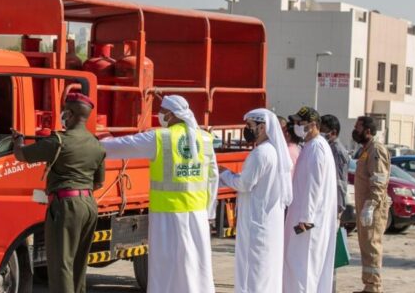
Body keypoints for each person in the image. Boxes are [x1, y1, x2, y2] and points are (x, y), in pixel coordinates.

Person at [100, 95, 218, 293]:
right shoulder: (205, 138)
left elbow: (123, 145)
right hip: (197, 215)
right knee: (195, 266)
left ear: (171, 114)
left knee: (165, 269)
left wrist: (93, 144)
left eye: (162, 112)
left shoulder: (160, 138)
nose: (160, 115)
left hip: (167, 215)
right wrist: (209, 212)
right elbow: (212, 177)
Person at [12, 93, 105, 293]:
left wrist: (17, 140)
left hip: (66, 206)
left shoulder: (59, 141)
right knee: (79, 264)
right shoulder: (96, 143)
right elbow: (99, 182)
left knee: (61, 264)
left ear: (69, 114)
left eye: (64, 111)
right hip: (89, 205)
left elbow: (22, 155)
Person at [218, 109, 293, 293]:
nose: (247, 130)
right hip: (267, 223)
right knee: (265, 273)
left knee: (253, 273)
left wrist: (224, 173)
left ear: (262, 127)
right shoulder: (273, 152)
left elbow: (244, 184)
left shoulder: (261, 153)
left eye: (250, 126)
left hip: (256, 224)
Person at [283, 106, 337, 293]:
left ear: (313, 125)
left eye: (300, 123)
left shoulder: (317, 148)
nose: (296, 126)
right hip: (303, 216)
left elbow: (314, 186)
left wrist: (306, 219)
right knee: (298, 266)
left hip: (307, 223)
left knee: (303, 269)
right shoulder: (310, 146)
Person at [351, 116, 390, 293]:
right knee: (366, 247)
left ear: (367, 130)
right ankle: (369, 285)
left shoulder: (375, 149)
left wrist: (370, 205)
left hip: (372, 208)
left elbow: (379, 179)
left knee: (372, 246)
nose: (354, 131)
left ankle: (374, 287)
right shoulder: (366, 149)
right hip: (366, 207)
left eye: (357, 128)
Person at [320, 114, 350, 218]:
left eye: (322, 131)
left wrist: (338, 207)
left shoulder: (337, 151)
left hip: (333, 204)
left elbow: (340, 181)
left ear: (333, 133)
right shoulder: (327, 147)